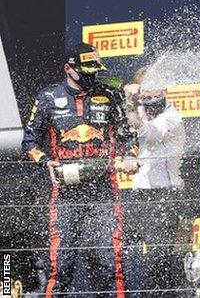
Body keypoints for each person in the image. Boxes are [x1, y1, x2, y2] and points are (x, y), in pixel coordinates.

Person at [22, 43, 139, 297]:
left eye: (95, 71)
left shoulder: (110, 95)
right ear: (69, 69)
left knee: (110, 263)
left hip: (103, 192)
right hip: (65, 194)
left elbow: (130, 137)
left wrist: (130, 157)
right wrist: (45, 161)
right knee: (60, 266)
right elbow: (29, 142)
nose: (91, 77)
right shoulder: (47, 98)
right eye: (85, 72)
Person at [122, 70, 187, 292]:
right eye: (145, 92)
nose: (149, 96)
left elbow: (148, 133)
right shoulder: (139, 110)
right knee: (128, 255)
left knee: (161, 258)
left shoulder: (173, 117)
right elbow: (127, 136)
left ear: (164, 90)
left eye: (154, 90)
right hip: (139, 194)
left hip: (164, 195)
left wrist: (131, 105)